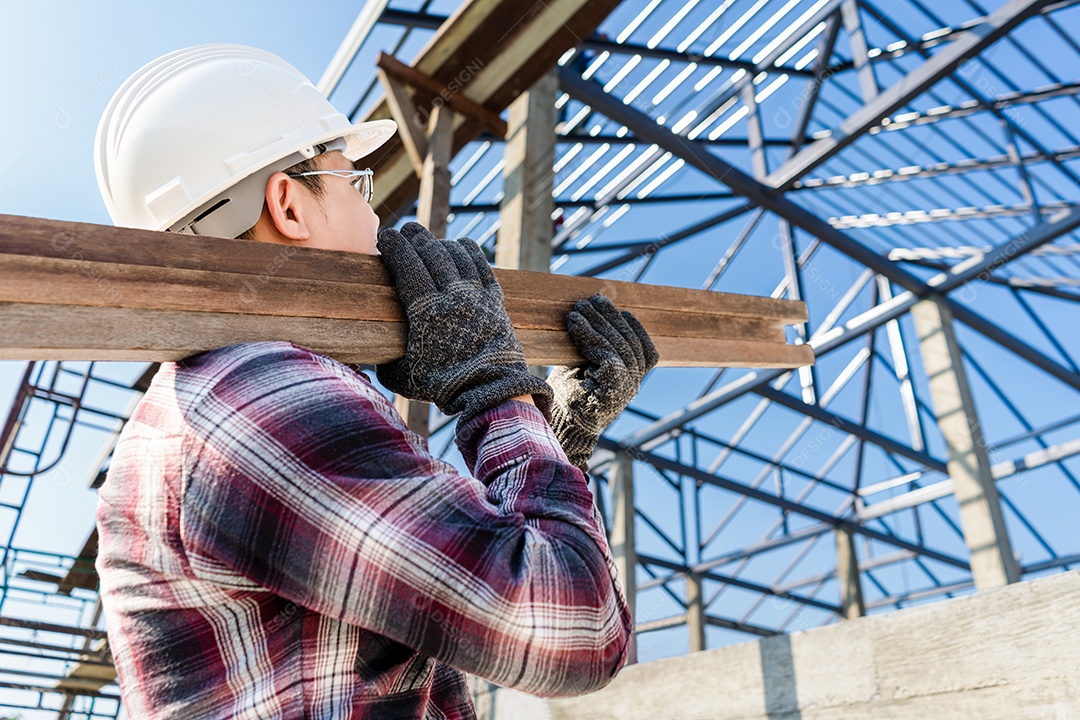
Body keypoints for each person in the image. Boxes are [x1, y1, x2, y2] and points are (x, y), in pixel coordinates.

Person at [93, 44, 658, 718]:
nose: (377, 219)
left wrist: (558, 440)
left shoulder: (213, 396)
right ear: (289, 206)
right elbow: (577, 631)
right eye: (356, 183)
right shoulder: (259, 398)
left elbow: (467, 580)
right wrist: (495, 389)